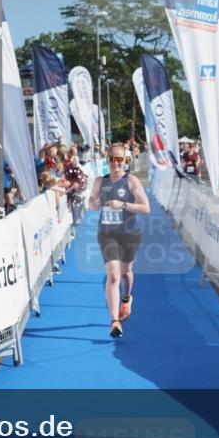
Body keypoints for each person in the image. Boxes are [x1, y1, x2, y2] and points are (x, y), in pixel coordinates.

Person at [87, 144, 150, 339]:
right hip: (107, 234)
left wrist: (122, 204)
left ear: (125, 161)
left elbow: (146, 208)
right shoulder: (100, 181)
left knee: (126, 273)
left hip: (129, 233)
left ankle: (126, 297)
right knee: (113, 276)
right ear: (107, 160)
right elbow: (91, 201)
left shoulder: (131, 180)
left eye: (119, 159)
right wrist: (93, 203)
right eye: (112, 159)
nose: (115, 163)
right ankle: (114, 321)